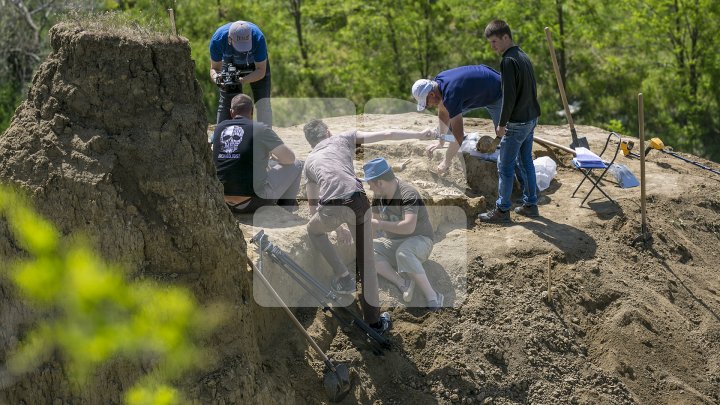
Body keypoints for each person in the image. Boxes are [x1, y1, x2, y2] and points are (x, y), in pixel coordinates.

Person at [302, 119, 434, 334]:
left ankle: (343, 277)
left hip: (331, 208)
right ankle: (374, 322)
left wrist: (336, 227)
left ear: (310, 143)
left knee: (312, 230)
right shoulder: (342, 138)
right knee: (367, 262)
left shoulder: (309, 161)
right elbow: (388, 133)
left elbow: (312, 206)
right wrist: (420, 134)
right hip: (357, 201)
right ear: (328, 131)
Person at [478, 20, 542, 223]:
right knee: (526, 163)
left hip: (516, 124)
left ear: (506, 37)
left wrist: (502, 123)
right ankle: (531, 205)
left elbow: (509, 96)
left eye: (495, 41)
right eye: (490, 42)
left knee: (504, 166)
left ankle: (502, 210)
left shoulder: (508, 61)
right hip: (531, 119)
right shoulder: (522, 56)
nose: (493, 46)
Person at [362, 158, 443, 311]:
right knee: (367, 250)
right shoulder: (378, 197)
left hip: (420, 241)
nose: (370, 188)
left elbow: (408, 227)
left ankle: (433, 296)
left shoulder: (408, 193)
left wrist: (380, 225)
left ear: (380, 182)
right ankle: (403, 283)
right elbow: (374, 225)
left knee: (403, 253)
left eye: (370, 184)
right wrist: (371, 250)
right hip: (395, 244)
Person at [213, 94, 302, 214]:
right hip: (253, 203)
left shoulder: (219, 128)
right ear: (252, 112)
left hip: (222, 201)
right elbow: (290, 159)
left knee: (266, 163)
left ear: (231, 112)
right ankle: (284, 213)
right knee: (297, 164)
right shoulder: (260, 129)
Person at [411, 65, 503, 174]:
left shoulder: (451, 96)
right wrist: (441, 142)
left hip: (498, 91)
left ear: (431, 94)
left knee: (504, 135)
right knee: (450, 122)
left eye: (426, 103)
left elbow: (458, 136)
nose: (428, 106)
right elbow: (443, 113)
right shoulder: (437, 84)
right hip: (480, 89)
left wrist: (446, 161)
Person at [210, 20, 272, 134]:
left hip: (256, 66)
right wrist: (219, 79)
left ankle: (266, 142)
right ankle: (219, 138)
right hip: (229, 63)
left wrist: (242, 80)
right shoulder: (218, 39)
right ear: (229, 39)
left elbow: (261, 71)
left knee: (263, 102)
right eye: (240, 46)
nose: (243, 49)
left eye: (246, 45)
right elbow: (214, 68)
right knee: (226, 103)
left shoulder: (258, 38)